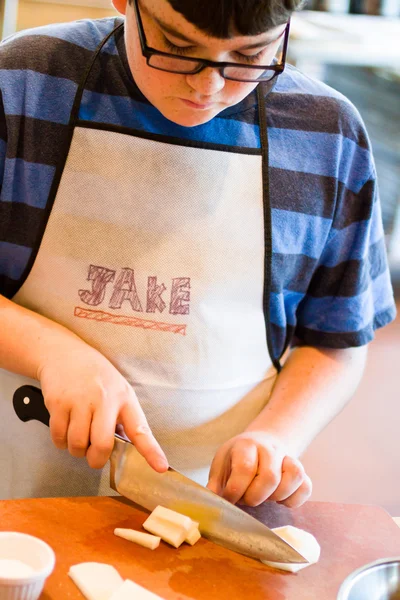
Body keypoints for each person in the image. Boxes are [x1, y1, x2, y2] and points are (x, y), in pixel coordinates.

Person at [0, 0, 395, 506]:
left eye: (251, 55)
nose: (207, 87)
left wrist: (276, 437)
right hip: (14, 493)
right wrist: (50, 351)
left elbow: (336, 340)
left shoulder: (327, 136)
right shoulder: (25, 84)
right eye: (177, 48)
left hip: (204, 506)